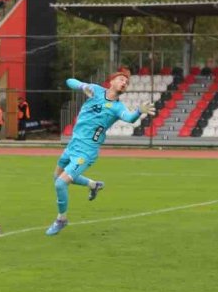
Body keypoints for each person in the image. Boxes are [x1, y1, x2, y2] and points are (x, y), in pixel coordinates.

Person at [46, 67, 156, 236]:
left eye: (126, 83)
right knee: (56, 177)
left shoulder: (117, 107)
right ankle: (93, 185)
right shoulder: (96, 90)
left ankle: (62, 219)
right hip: (73, 145)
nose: (124, 83)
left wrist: (139, 111)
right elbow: (70, 81)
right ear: (111, 81)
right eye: (121, 80)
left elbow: (129, 118)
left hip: (87, 151)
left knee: (61, 183)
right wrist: (83, 87)